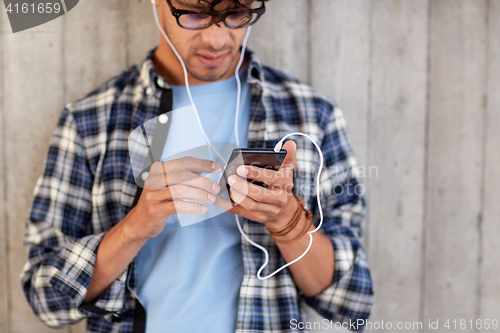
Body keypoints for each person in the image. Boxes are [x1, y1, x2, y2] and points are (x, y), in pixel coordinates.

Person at [20, 0, 374, 332]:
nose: (216, 38)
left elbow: (351, 301)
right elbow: (45, 296)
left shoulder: (312, 115)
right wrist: (134, 228)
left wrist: (288, 224)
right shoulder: (89, 120)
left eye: (236, 12)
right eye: (193, 11)